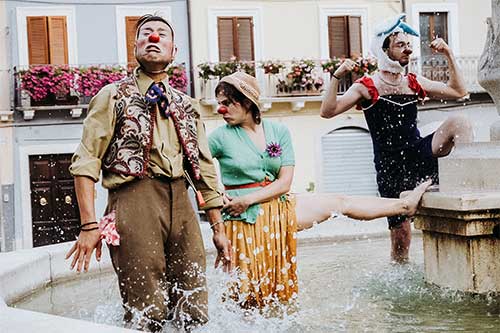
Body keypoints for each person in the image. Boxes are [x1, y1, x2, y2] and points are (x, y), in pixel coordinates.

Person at [208, 71, 431, 310]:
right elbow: (194, 170)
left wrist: (248, 199)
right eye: (219, 104)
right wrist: (217, 192)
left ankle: (403, 205)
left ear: (247, 101)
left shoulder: (278, 131)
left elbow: (284, 183)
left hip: (279, 206)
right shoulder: (219, 137)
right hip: (243, 221)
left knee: (340, 202)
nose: (221, 110)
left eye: (226, 103)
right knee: (248, 297)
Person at [65, 14, 232, 332]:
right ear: (136, 45)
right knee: (146, 310)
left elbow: (205, 168)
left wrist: (219, 228)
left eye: (162, 34)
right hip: (133, 201)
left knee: (193, 307)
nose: (154, 38)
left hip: (181, 203)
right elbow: (86, 161)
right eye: (146, 33)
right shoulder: (112, 95)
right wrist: (89, 225)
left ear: (174, 49)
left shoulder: (187, 104)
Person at [320, 14, 473, 263]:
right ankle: (399, 276)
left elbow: (459, 91)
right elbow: (327, 111)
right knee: (401, 240)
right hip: (390, 167)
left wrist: (449, 54)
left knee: (461, 122)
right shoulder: (366, 85)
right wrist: (336, 77)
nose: (408, 49)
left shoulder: (412, 82)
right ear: (384, 49)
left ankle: (464, 186)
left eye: (408, 44)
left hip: (418, 152)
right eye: (400, 45)